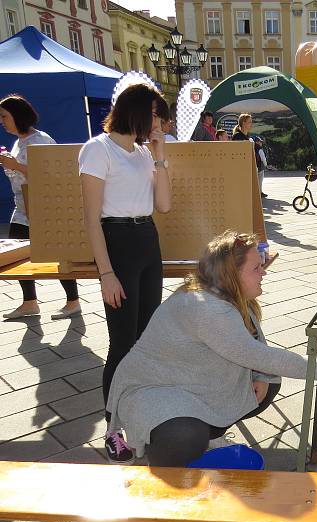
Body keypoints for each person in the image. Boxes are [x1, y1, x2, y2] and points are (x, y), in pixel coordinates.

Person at [106, 231, 317, 466]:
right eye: (257, 268)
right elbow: (260, 355)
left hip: (189, 381)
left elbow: (255, 346)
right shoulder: (207, 308)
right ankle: (171, 475)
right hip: (152, 389)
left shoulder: (226, 294)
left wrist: (260, 375)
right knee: (184, 436)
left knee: (267, 381)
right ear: (232, 274)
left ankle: (210, 435)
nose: (264, 272)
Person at [79, 83, 171, 463]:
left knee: (146, 338)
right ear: (136, 110)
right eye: (155, 115)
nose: (159, 123)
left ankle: (140, 413)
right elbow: (90, 219)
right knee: (121, 343)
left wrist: (160, 154)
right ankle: (113, 428)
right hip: (117, 242)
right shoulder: (97, 149)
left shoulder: (141, 154)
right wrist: (106, 273)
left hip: (147, 239)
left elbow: (163, 205)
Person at [0, 94, 82, 321]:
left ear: (17, 115)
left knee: (56, 252)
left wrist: (15, 165)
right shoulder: (19, 142)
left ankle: (73, 301)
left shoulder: (40, 139)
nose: (2, 121)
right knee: (17, 250)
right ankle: (29, 302)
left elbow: (51, 174)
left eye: (4, 116)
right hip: (22, 206)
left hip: (44, 206)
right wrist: (11, 164)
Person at [232, 114, 266, 197]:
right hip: (240, 170)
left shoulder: (246, 136)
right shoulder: (237, 136)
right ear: (243, 123)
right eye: (249, 122)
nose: (251, 124)